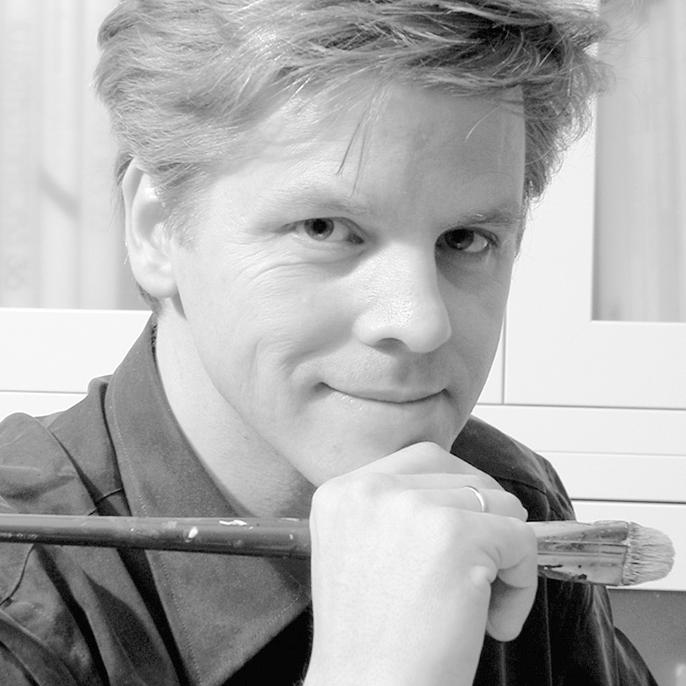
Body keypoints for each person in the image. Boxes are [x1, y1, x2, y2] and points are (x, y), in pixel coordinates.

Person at [0, 1, 658, 684]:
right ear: (157, 228)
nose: (421, 321)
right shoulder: (21, 596)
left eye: (465, 239)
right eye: (325, 228)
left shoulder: (509, 499)